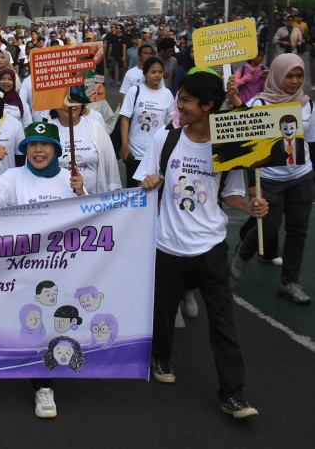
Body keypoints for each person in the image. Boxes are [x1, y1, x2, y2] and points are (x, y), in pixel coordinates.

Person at [135, 71, 268, 419]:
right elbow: (143, 184)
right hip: (167, 246)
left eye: (187, 101)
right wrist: (148, 182)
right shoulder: (166, 139)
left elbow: (232, 194)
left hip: (211, 248)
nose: (179, 105)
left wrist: (250, 206)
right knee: (163, 312)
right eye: (179, 97)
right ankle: (161, 353)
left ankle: (234, 394)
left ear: (208, 106)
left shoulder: (229, 144)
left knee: (223, 321)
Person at [0, 121, 85, 419]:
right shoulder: (14, 176)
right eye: (32, 145)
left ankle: (44, 381)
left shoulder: (69, 178)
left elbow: (91, 219)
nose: (38, 151)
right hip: (23, 268)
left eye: (45, 144)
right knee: (34, 324)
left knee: (52, 323)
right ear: (25, 150)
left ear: (56, 149)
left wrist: (83, 191)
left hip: (63, 268)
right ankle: (41, 383)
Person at [230, 53, 314, 305]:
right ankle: (243, 253)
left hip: (302, 176)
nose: (295, 81)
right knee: (267, 226)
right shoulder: (260, 104)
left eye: (299, 76)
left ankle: (290, 282)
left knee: (298, 231)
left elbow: (312, 143)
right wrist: (253, 185)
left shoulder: (307, 104)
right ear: (278, 75)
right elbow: (247, 146)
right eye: (290, 75)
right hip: (270, 178)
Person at [119, 57, 174, 187]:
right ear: (145, 73)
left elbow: (170, 123)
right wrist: (125, 144)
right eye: (153, 72)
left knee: (156, 192)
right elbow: (125, 118)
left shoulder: (167, 94)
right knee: (134, 192)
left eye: (160, 72)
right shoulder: (134, 91)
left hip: (157, 153)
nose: (157, 75)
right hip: (135, 153)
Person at [51, 97, 121, 194]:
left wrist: (113, 192)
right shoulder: (47, 130)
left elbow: (110, 166)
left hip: (92, 203)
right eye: (65, 101)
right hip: (59, 202)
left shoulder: (96, 128)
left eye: (74, 100)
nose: (71, 105)